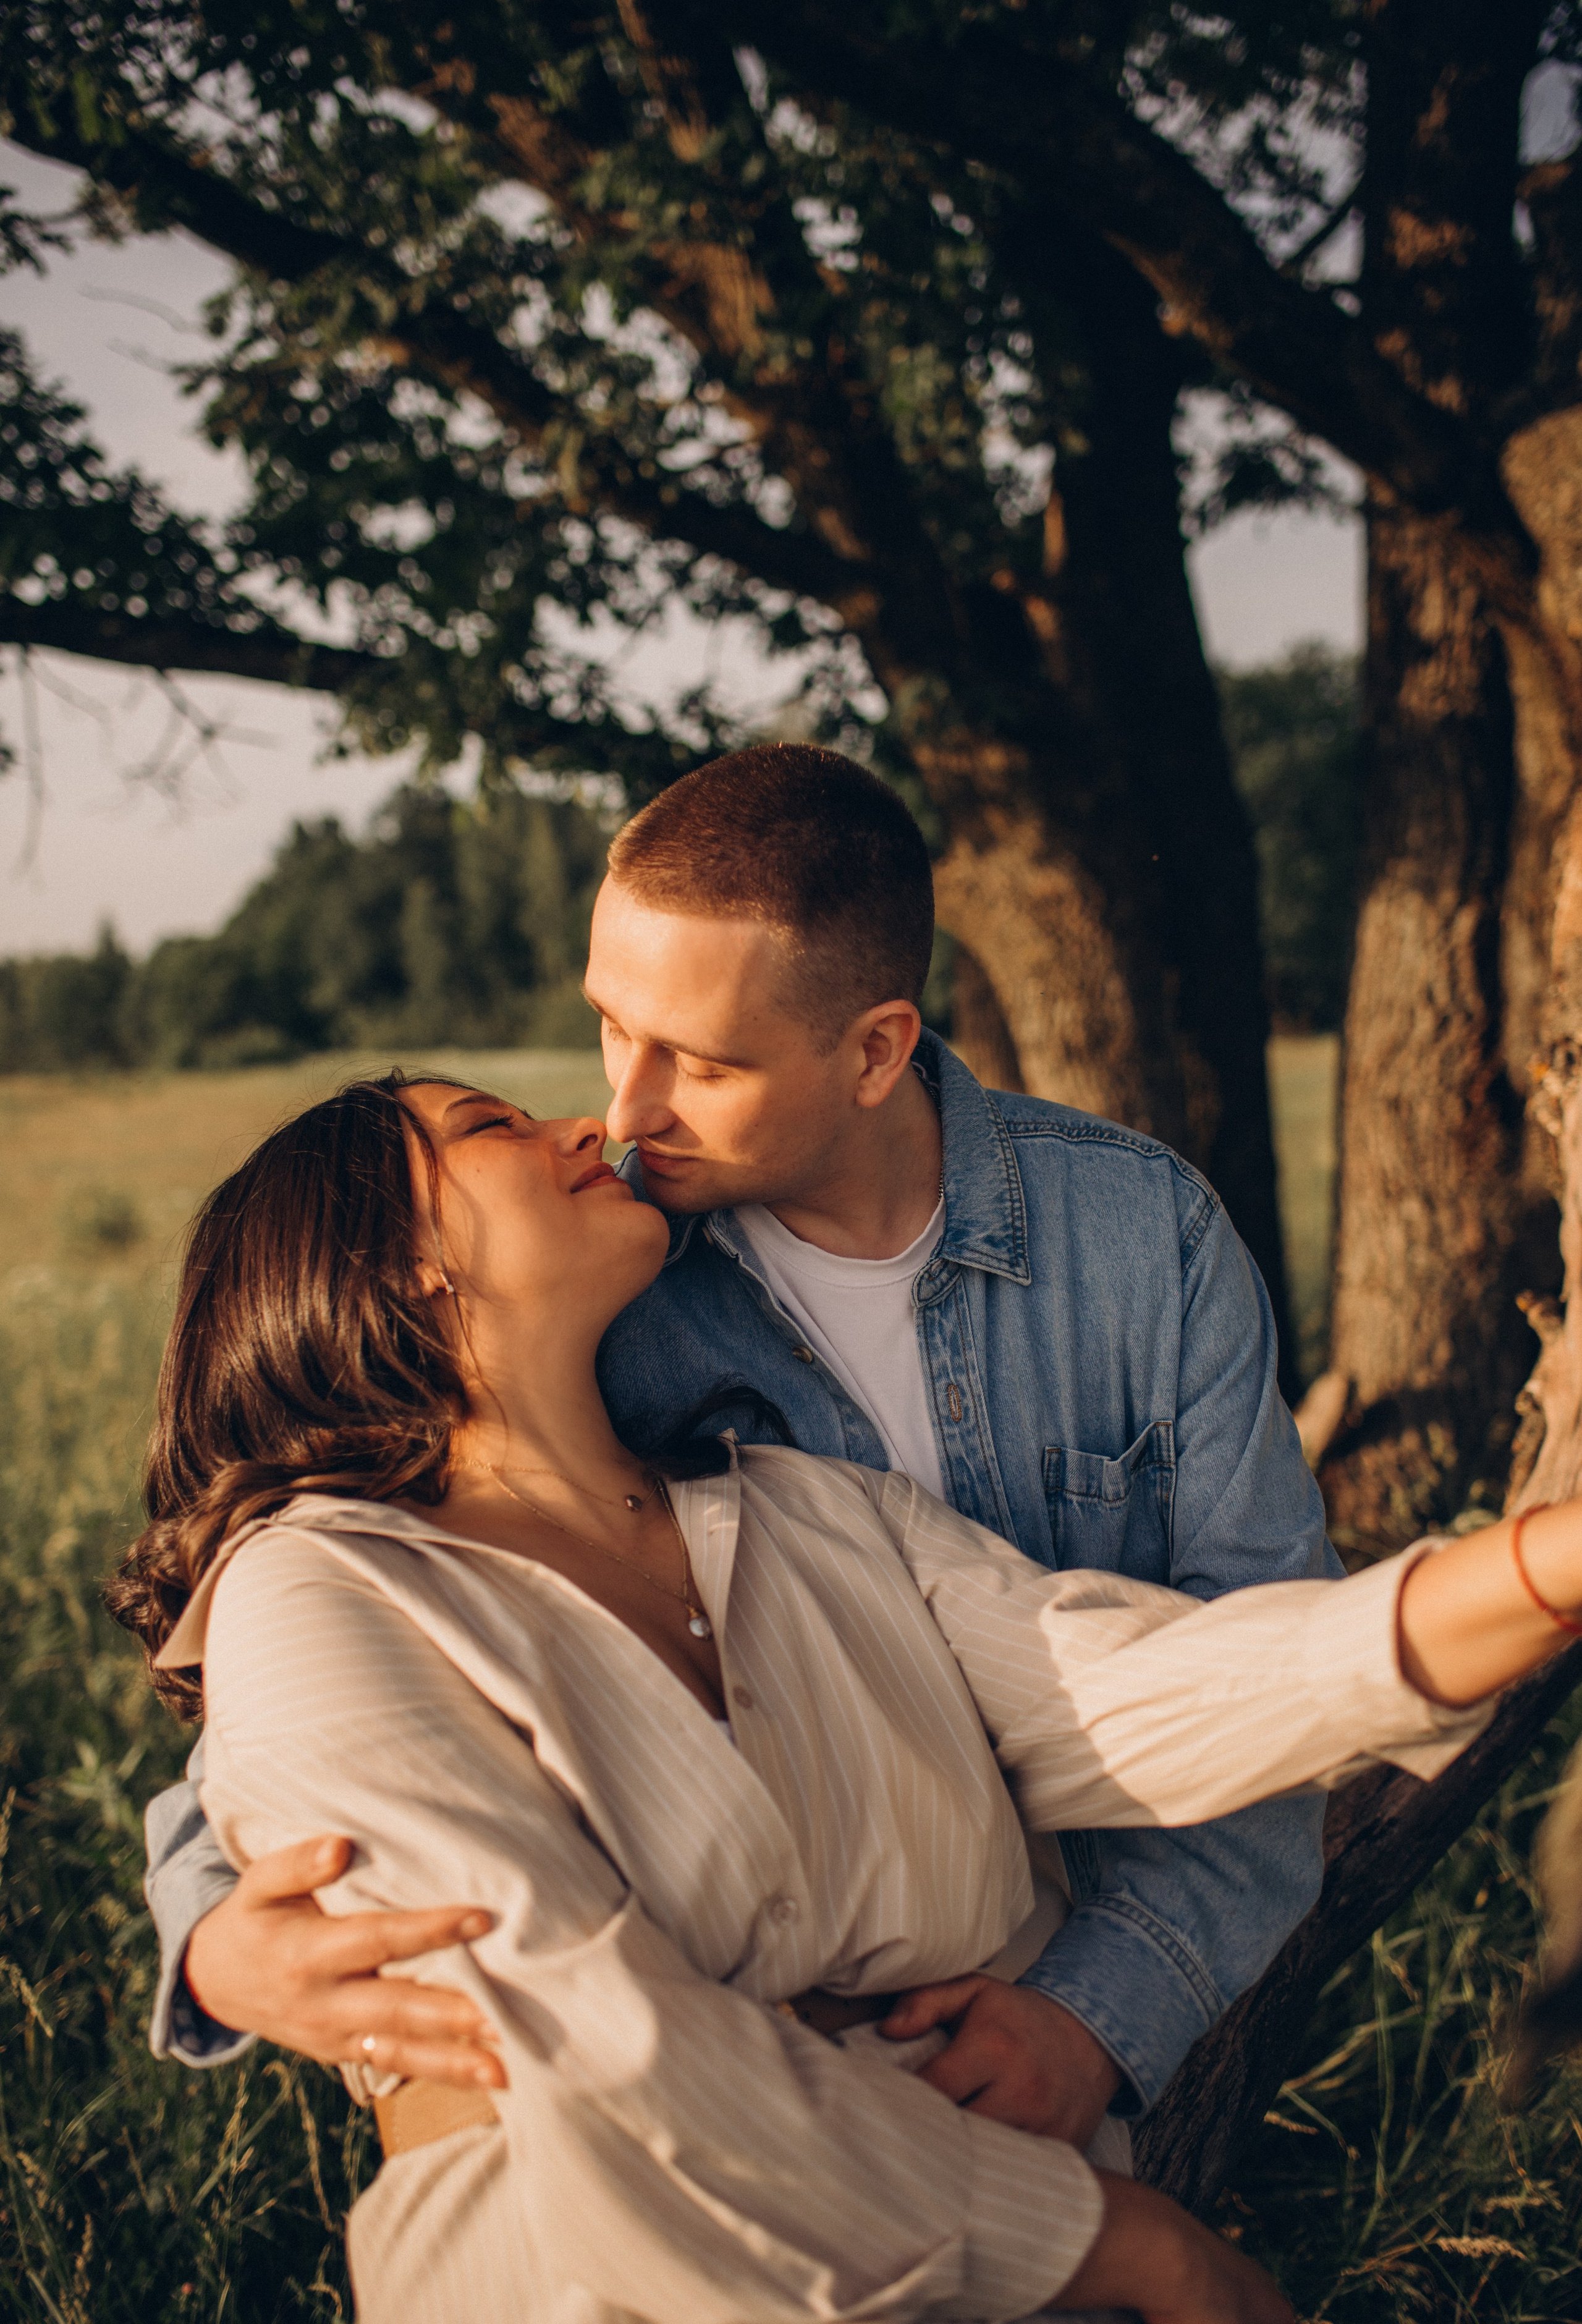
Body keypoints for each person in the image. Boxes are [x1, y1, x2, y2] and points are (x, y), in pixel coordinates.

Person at [110, 1069, 1568, 2324]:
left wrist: (1543, 1566)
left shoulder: (812, 1514)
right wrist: (1121, 2244)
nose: (582, 1121)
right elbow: (596, 2039)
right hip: (617, 2276)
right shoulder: (317, 1591)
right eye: (486, 1125)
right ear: (392, 1262)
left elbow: (1146, 1688)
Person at [144, 744, 1334, 2145]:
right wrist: (214, 1930)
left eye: (699, 1063)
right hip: (754, 2079)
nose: (624, 1115)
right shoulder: (607, 1296)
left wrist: (1098, 2012)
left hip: (1133, 2024)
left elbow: (1267, 1659)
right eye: (608, 1027)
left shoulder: (1142, 1240)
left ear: (876, 1048)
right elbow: (336, 1657)